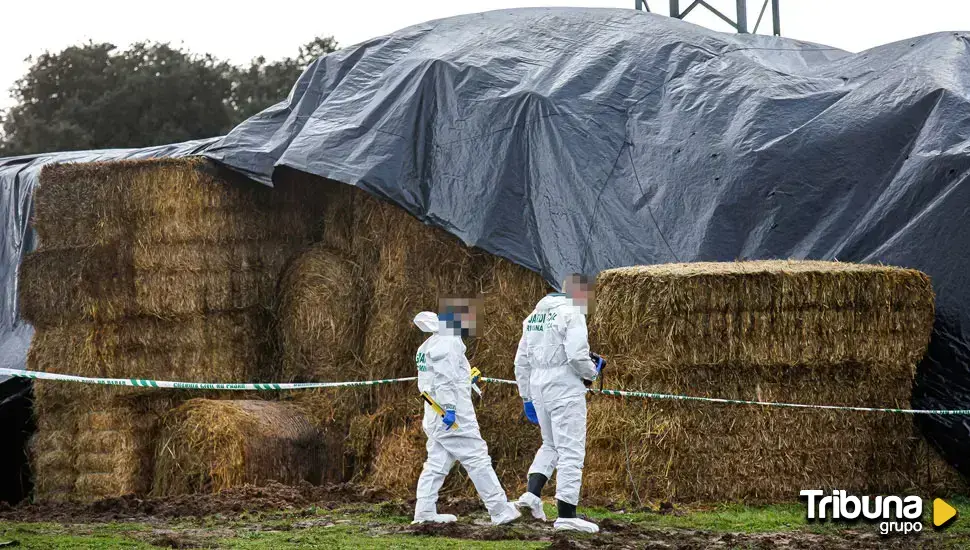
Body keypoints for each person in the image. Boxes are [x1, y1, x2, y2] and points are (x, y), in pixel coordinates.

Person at [412, 299, 521, 526]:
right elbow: (444, 381)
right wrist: (451, 409)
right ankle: (500, 510)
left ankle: (423, 512)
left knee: (437, 463)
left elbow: (438, 378)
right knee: (477, 457)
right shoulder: (448, 341)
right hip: (451, 416)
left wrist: (466, 380)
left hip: (434, 414)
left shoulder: (430, 344)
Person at [512, 274, 600, 533]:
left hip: (538, 385)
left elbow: (521, 362)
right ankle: (566, 513)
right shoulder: (573, 313)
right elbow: (576, 355)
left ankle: (531, 496)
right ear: (580, 293)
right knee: (571, 449)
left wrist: (526, 396)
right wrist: (592, 373)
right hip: (564, 387)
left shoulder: (533, 317)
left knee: (550, 444)